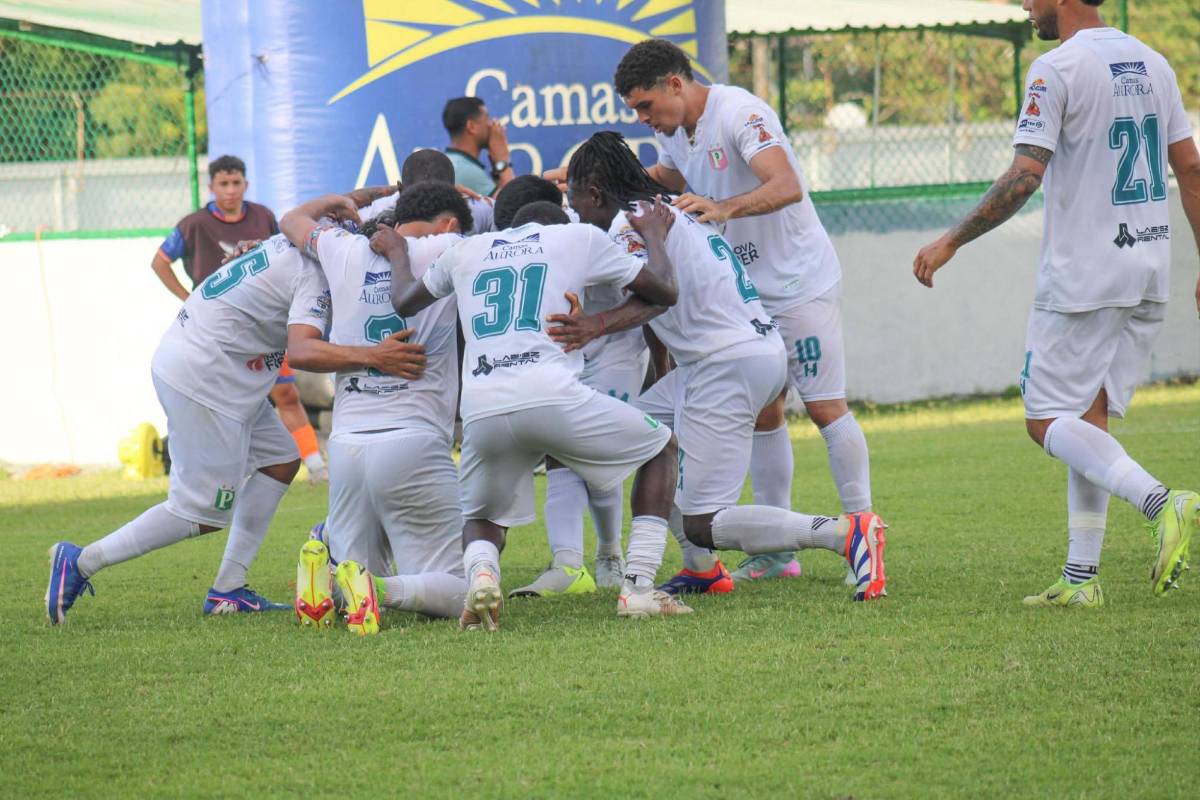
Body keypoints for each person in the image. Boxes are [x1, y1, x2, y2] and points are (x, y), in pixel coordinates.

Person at [912, 0, 1200, 607]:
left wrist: (950, 240)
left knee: (1044, 420)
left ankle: (1161, 502)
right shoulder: (1153, 61)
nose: (1024, 4)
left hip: (1084, 277)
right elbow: (1191, 166)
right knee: (1086, 418)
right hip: (1148, 266)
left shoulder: (1056, 66)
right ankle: (1079, 580)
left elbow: (1023, 175)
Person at [579, 38, 877, 590]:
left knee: (826, 407)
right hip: (744, 293)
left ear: (676, 83)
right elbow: (660, 181)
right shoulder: (676, 135)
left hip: (796, 281)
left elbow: (786, 184)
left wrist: (725, 207)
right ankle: (777, 554)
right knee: (766, 414)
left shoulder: (740, 111)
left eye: (647, 106)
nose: (645, 120)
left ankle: (863, 526)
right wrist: (584, 176)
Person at [46, 205, 426, 624]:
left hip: (217, 368)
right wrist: (377, 356)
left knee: (281, 460)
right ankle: (80, 562)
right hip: (209, 379)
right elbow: (301, 352)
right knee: (199, 513)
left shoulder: (299, 237)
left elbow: (341, 204)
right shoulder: (316, 274)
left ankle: (228, 590)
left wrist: (378, 193)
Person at [381, 196, 687, 628]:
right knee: (661, 449)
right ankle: (637, 586)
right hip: (552, 393)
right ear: (557, 221)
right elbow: (664, 289)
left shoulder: (465, 249)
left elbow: (405, 300)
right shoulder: (576, 236)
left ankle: (484, 575)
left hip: (483, 405)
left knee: (483, 516)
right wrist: (656, 234)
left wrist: (397, 251)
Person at [279, 183, 475, 634]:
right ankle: (378, 589)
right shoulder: (450, 245)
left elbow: (290, 222)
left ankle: (331, 579)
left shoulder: (343, 248)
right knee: (465, 587)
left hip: (346, 446)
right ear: (448, 224)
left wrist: (330, 202)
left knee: (356, 591)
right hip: (413, 440)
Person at [497, 176, 656, 597]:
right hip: (564, 348)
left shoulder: (589, 230)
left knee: (597, 450)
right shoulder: (520, 230)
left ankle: (609, 553)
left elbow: (655, 291)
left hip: (615, 347)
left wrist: (600, 325)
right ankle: (567, 563)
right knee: (558, 450)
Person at [151, 154, 329, 482]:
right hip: (218, 334)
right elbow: (160, 262)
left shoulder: (264, 217)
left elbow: (283, 250)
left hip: (263, 329)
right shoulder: (193, 224)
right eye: (223, 184)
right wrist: (187, 298)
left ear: (246, 185)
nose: (231, 190)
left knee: (286, 394)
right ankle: (199, 468)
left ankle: (315, 465)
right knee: (218, 401)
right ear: (211, 187)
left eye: (236, 183)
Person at [360, 148, 496, 234]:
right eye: (417, 198)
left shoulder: (483, 209)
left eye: (438, 198)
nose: (428, 207)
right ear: (400, 191)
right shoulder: (377, 215)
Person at [442, 96, 514, 197]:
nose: (491, 124)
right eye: (487, 118)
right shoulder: (467, 171)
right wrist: (503, 160)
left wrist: (496, 167)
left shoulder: (450, 162)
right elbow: (512, 205)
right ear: (471, 126)